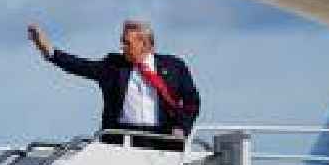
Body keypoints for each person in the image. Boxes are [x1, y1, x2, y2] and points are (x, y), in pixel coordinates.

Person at [28, 20, 200, 150]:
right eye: (122, 41)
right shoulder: (113, 66)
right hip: (122, 138)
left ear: (144, 44)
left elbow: (192, 101)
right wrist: (49, 51)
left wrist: (182, 127)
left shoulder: (174, 66)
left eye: (127, 43)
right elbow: (81, 66)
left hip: (162, 139)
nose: (122, 47)